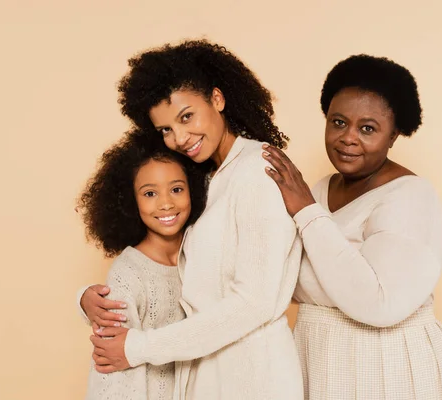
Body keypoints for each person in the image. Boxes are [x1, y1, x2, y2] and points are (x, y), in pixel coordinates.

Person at [78, 40, 304, 400]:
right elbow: (170, 273)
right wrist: (90, 299)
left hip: (253, 376)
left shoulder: (257, 172)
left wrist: (137, 348)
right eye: (166, 129)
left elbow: (254, 302)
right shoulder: (206, 177)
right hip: (206, 372)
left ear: (217, 99)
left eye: (186, 117)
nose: (180, 138)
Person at [263, 54, 442, 399]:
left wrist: (305, 211)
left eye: (368, 128)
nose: (348, 138)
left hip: (387, 368)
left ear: (394, 135)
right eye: (338, 122)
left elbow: (380, 304)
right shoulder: (319, 190)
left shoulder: (410, 195)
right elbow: (290, 284)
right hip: (323, 360)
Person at [77, 128, 207, 399]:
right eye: (150, 194)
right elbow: (112, 369)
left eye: (176, 189)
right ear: (129, 201)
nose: (166, 203)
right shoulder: (128, 274)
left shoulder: (200, 256)